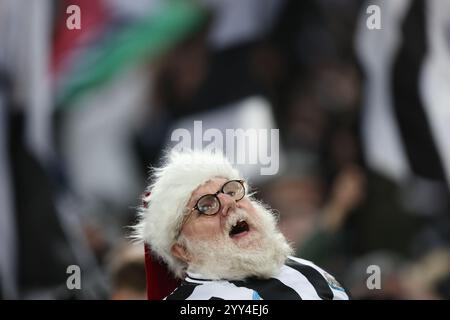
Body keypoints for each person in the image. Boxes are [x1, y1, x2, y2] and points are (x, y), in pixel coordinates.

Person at [133, 149, 349, 300]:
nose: (228, 203)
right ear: (182, 249)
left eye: (231, 191)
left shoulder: (311, 273)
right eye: (206, 206)